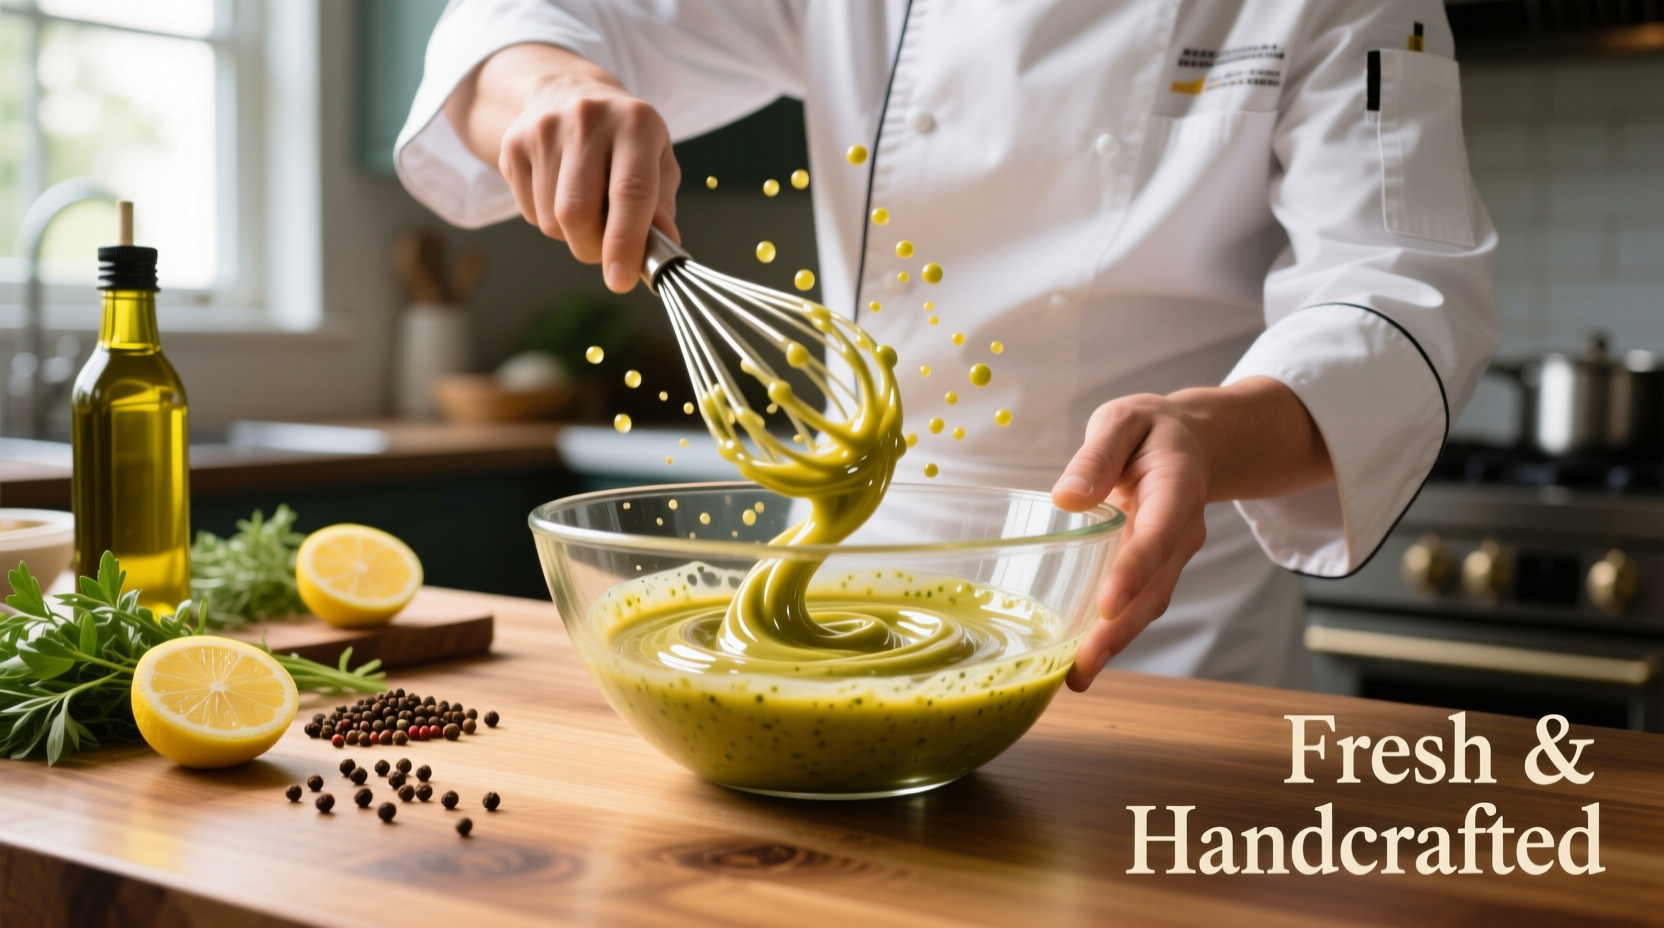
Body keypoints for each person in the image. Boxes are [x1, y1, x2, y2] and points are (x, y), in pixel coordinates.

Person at [396, 0, 1498, 691]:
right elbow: (520, 25)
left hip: (1146, 615)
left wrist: (1207, 432)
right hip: (854, 565)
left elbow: (1401, 291)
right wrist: (558, 89)